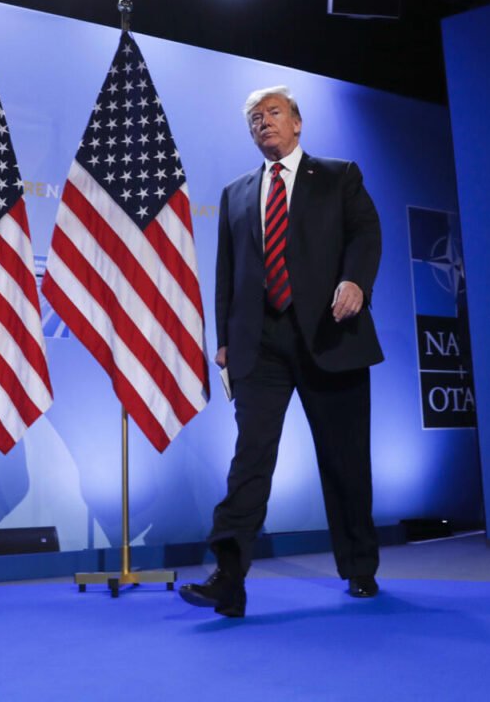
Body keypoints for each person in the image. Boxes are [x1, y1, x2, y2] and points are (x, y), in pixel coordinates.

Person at [179, 85, 384, 617]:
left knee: (344, 461)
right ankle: (229, 577)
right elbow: (229, 271)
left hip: (330, 335)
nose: (263, 123)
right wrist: (224, 338)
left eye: (273, 113)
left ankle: (360, 567)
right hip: (259, 344)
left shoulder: (339, 175)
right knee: (250, 461)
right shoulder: (237, 193)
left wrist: (356, 282)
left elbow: (366, 233)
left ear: (297, 123)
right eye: (254, 118)